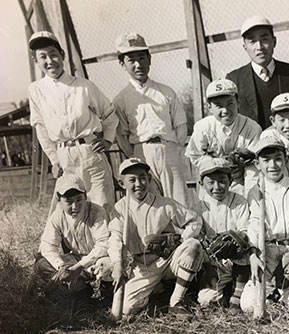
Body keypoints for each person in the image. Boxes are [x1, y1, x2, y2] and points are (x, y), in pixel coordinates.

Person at [28, 31, 117, 213]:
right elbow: (41, 128)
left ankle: (108, 241)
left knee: (102, 206)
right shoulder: (36, 90)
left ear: (62, 55)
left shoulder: (84, 86)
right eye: (43, 57)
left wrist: (107, 139)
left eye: (53, 54)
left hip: (90, 152)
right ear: (36, 61)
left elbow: (109, 113)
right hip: (63, 156)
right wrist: (54, 159)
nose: (50, 61)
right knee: (71, 212)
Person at [108, 158, 204, 316]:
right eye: (132, 180)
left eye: (143, 178)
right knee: (128, 308)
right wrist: (117, 264)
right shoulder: (120, 208)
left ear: (149, 179)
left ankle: (176, 300)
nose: (139, 184)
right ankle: (160, 291)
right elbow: (114, 238)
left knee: (193, 245)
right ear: (121, 183)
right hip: (141, 267)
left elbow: (194, 220)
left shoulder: (164, 203)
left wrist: (181, 238)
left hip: (165, 260)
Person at [113, 32, 194, 208]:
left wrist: (175, 149)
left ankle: (187, 235)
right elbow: (122, 136)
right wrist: (135, 157)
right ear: (122, 63)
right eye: (131, 60)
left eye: (142, 58)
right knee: (151, 203)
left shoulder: (166, 92)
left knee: (179, 201)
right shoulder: (121, 99)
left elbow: (180, 126)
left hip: (168, 149)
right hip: (141, 152)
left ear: (149, 59)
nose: (138, 64)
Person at [240, 136, 289, 314]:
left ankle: (282, 291)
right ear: (257, 164)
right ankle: (276, 292)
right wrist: (253, 254)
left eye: (278, 158)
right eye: (266, 160)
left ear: (286, 159)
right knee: (249, 305)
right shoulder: (255, 191)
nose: (273, 165)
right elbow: (254, 224)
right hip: (268, 250)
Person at [34, 173, 112, 301]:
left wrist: (79, 267)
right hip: (74, 260)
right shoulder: (57, 216)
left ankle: (106, 295)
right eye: (69, 202)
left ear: (85, 196)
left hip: (95, 260)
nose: (75, 206)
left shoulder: (97, 212)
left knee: (107, 265)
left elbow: (104, 245)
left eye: (79, 199)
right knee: (41, 263)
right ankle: (79, 288)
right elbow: (48, 245)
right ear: (59, 200)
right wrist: (61, 267)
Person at [226, 16, 289, 129]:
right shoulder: (234, 79)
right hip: (251, 144)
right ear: (245, 47)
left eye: (264, 39)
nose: (259, 47)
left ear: (274, 41)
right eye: (252, 41)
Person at [185, 78, 261, 196]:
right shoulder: (203, 127)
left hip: (241, 182)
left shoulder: (252, 127)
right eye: (218, 106)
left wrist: (251, 194)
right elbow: (194, 156)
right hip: (212, 183)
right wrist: (217, 162)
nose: (225, 110)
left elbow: (254, 168)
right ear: (209, 107)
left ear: (238, 103)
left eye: (230, 104)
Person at [196, 158, 250, 313]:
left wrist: (233, 237)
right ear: (201, 184)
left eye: (222, 181)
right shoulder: (199, 205)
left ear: (231, 180)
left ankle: (236, 296)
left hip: (238, 259)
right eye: (210, 182)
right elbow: (197, 236)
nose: (217, 187)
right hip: (214, 262)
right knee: (207, 300)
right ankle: (223, 289)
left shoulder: (240, 201)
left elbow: (245, 231)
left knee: (242, 242)